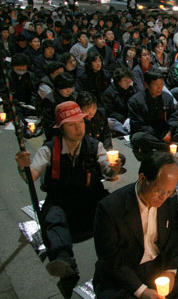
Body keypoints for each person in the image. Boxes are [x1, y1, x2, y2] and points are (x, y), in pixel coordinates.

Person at [15, 101, 121, 298]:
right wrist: (24, 167)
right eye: (72, 124)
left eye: (80, 123)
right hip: (61, 198)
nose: (78, 128)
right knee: (54, 218)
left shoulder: (94, 145)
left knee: (114, 209)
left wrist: (113, 167)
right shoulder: (50, 149)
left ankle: (117, 258)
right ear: (61, 127)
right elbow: (33, 175)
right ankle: (66, 263)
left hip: (90, 196)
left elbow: (107, 169)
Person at [93, 152, 178, 299]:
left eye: (169, 192)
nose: (163, 197)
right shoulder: (110, 208)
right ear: (142, 179)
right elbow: (112, 259)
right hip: (129, 269)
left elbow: (174, 236)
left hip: (157, 265)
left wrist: (170, 270)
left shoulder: (169, 199)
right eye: (159, 191)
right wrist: (141, 291)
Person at [128, 69, 178, 160]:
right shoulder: (135, 101)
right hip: (148, 133)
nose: (160, 88)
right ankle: (167, 147)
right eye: (156, 85)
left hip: (165, 130)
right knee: (139, 138)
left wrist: (169, 131)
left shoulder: (167, 98)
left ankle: (163, 144)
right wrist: (160, 135)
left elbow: (173, 117)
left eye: (162, 84)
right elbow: (138, 125)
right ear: (146, 84)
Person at [42, 72, 78, 140]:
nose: (69, 91)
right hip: (57, 132)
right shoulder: (50, 100)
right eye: (65, 88)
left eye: (71, 87)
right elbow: (49, 123)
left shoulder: (74, 96)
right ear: (58, 87)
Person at [101, 68, 136, 136]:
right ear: (118, 81)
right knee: (111, 122)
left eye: (129, 80)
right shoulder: (108, 93)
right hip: (117, 119)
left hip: (129, 118)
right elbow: (110, 111)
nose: (128, 83)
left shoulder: (131, 89)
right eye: (125, 80)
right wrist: (123, 120)